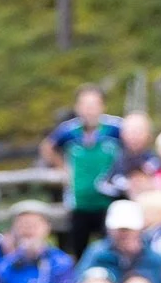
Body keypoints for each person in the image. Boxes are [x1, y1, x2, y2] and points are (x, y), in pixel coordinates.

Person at [42, 86, 126, 257]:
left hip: (108, 200)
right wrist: (63, 168)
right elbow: (47, 147)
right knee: (78, 249)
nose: (89, 109)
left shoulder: (115, 127)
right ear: (77, 107)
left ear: (103, 106)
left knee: (112, 248)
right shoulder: (68, 130)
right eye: (85, 104)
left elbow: (134, 143)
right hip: (78, 200)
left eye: (94, 104)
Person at [0, 203, 77, 283]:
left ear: (47, 227)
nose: (28, 230)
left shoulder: (61, 262)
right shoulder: (4, 264)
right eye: (22, 225)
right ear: (13, 229)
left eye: (34, 225)